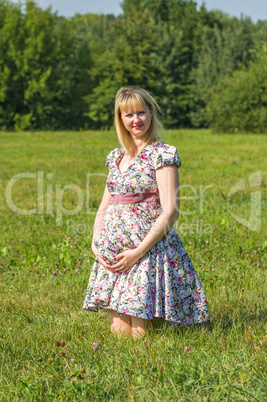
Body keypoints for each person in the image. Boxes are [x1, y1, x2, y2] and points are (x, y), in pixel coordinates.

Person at [83, 86, 210, 338]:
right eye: (128, 115)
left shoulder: (162, 154)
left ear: (151, 113)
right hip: (115, 255)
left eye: (141, 112)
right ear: (120, 119)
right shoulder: (115, 157)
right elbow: (103, 207)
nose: (136, 120)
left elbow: (171, 211)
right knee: (119, 336)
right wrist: (96, 242)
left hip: (146, 252)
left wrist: (138, 252)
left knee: (141, 335)